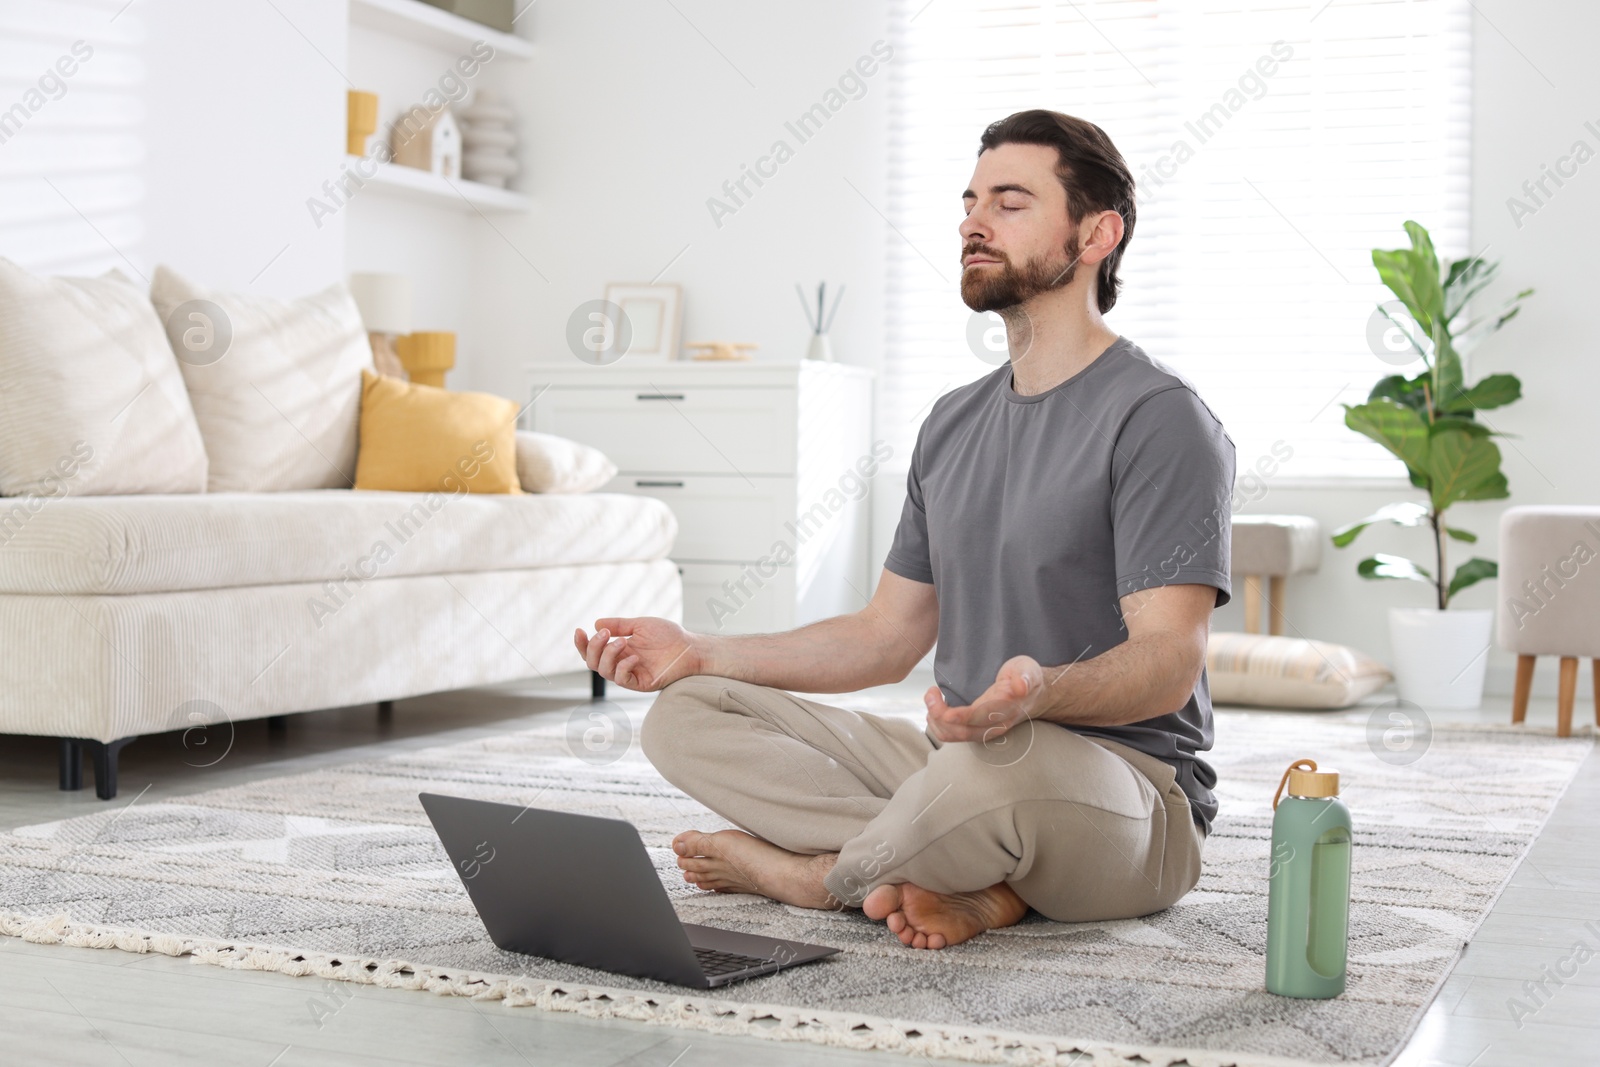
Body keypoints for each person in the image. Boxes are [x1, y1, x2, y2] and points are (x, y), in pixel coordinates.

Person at [575, 109, 1235, 950]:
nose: (972, 221)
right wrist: (699, 650)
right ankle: (969, 871)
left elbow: (1169, 661)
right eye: (969, 202)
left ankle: (819, 875)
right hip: (956, 764)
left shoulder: (1160, 418)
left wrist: (1043, 693)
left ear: (1097, 234)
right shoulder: (952, 423)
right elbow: (884, 636)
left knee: (984, 774)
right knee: (683, 714)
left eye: (1010, 201)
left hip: (1129, 795)